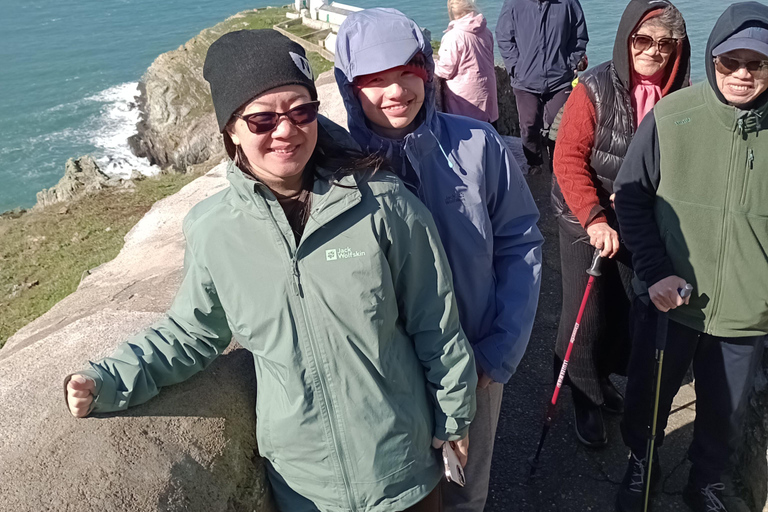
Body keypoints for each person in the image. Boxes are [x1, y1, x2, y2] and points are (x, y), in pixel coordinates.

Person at [64, 29, 479, 512]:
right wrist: (110, 380)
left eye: (301, 111)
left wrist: (455, 420)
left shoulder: (383, 205)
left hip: (403, 474)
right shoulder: (212, 230)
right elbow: (192, 332)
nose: (286, 131)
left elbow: (437, 322)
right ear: (231, 130)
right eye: (262, 118)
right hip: (303, 488)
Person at [334, 9, 543, 512]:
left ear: (428, 69)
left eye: (408, 72)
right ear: (348, 86)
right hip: (385, 383)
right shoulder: (335, 169)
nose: (397, 91)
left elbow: (520, 242)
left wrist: (498, 352)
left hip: (474, 361)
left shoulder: (477, 144)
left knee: (466, 492)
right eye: (375, 79)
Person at [614, 3, 768, 511]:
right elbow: (631, 197)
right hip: (670, 303)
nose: (743, 73)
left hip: (746, 313)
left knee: (725, 415)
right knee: (647, 400)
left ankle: (707, 483)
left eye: (758, 63)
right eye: (731, 62)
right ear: (711, 59)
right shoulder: (671, 117)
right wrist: (654, 272)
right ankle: (642, 465)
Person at [551, 0, 690, 449]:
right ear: (627, 38)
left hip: (636, 218)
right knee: (585, 313)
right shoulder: (593, 88)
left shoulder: (681, 97)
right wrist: (593, 217)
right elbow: (568, 158)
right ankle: (583, 397)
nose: (652, 51)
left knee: (624, 312)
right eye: (642, 40)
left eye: (664, 44)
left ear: (676, 50)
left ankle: (604, 380)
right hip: (582, 217)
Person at [496, 0, 589, 174]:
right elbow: (503, 37)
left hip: (559, 80)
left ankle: (558, 165)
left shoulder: (568, 3)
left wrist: (568, 64)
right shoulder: (514, 4)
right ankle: (535, 163)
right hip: (525, 82)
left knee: (560, 125)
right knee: (529, 125)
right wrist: (516, 67)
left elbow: (579, 36)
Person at [434, 0, 498, 125]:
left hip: (465, 103)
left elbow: (445, 70)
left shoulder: (453, 37)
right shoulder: (485, 31)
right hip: (487, 100)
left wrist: (432, 62)